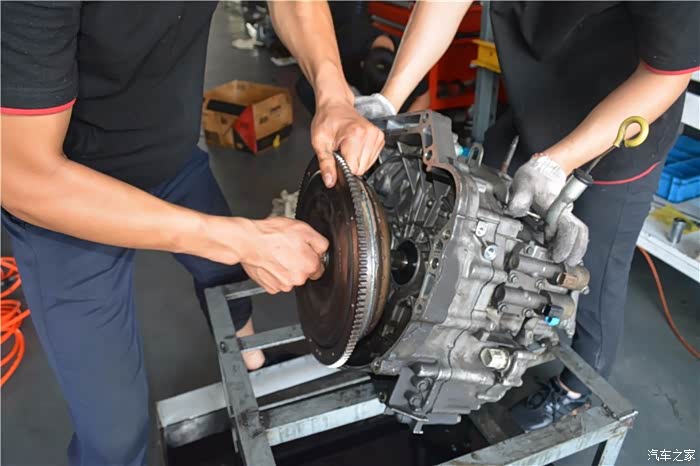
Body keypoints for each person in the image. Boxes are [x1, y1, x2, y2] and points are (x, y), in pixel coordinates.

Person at [1, 2, 382, 465]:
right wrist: (238, 239)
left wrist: (334, 94)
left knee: (226, 282)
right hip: (67, 197)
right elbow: (23, 177)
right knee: (115, 436)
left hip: (169, 156)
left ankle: (253, 366)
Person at [355, 2, 699, 431]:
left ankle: (576, 391)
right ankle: (469, 340)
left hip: (620, 131)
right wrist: (389, 99)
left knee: (594, 276)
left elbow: (666, 74)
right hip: (538, 97)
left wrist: (559, 163)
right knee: (476, 222)